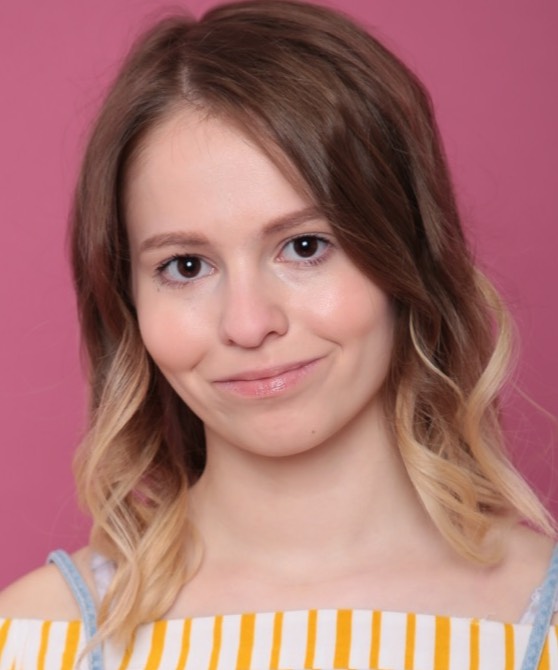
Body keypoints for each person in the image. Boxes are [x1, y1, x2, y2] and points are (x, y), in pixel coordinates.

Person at [0, 0, 556, 668]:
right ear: (128, 301)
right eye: (186, 266)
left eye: (304, 246)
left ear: (406, 255)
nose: (248, 323)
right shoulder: (31, 641)